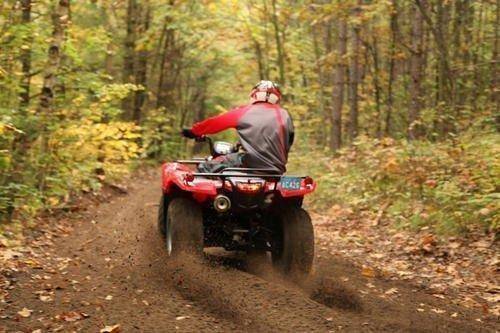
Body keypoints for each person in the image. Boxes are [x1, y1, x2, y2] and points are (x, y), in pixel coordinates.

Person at [182, 80, 294, 174]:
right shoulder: (285, 115)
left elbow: (214, 123)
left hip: (249, 163)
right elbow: (289, 141)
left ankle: (203, 200)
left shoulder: (244, 112)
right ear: (277, 98)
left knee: (205, 167)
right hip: (277, 169)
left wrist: (194, 131)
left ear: (254, 95)